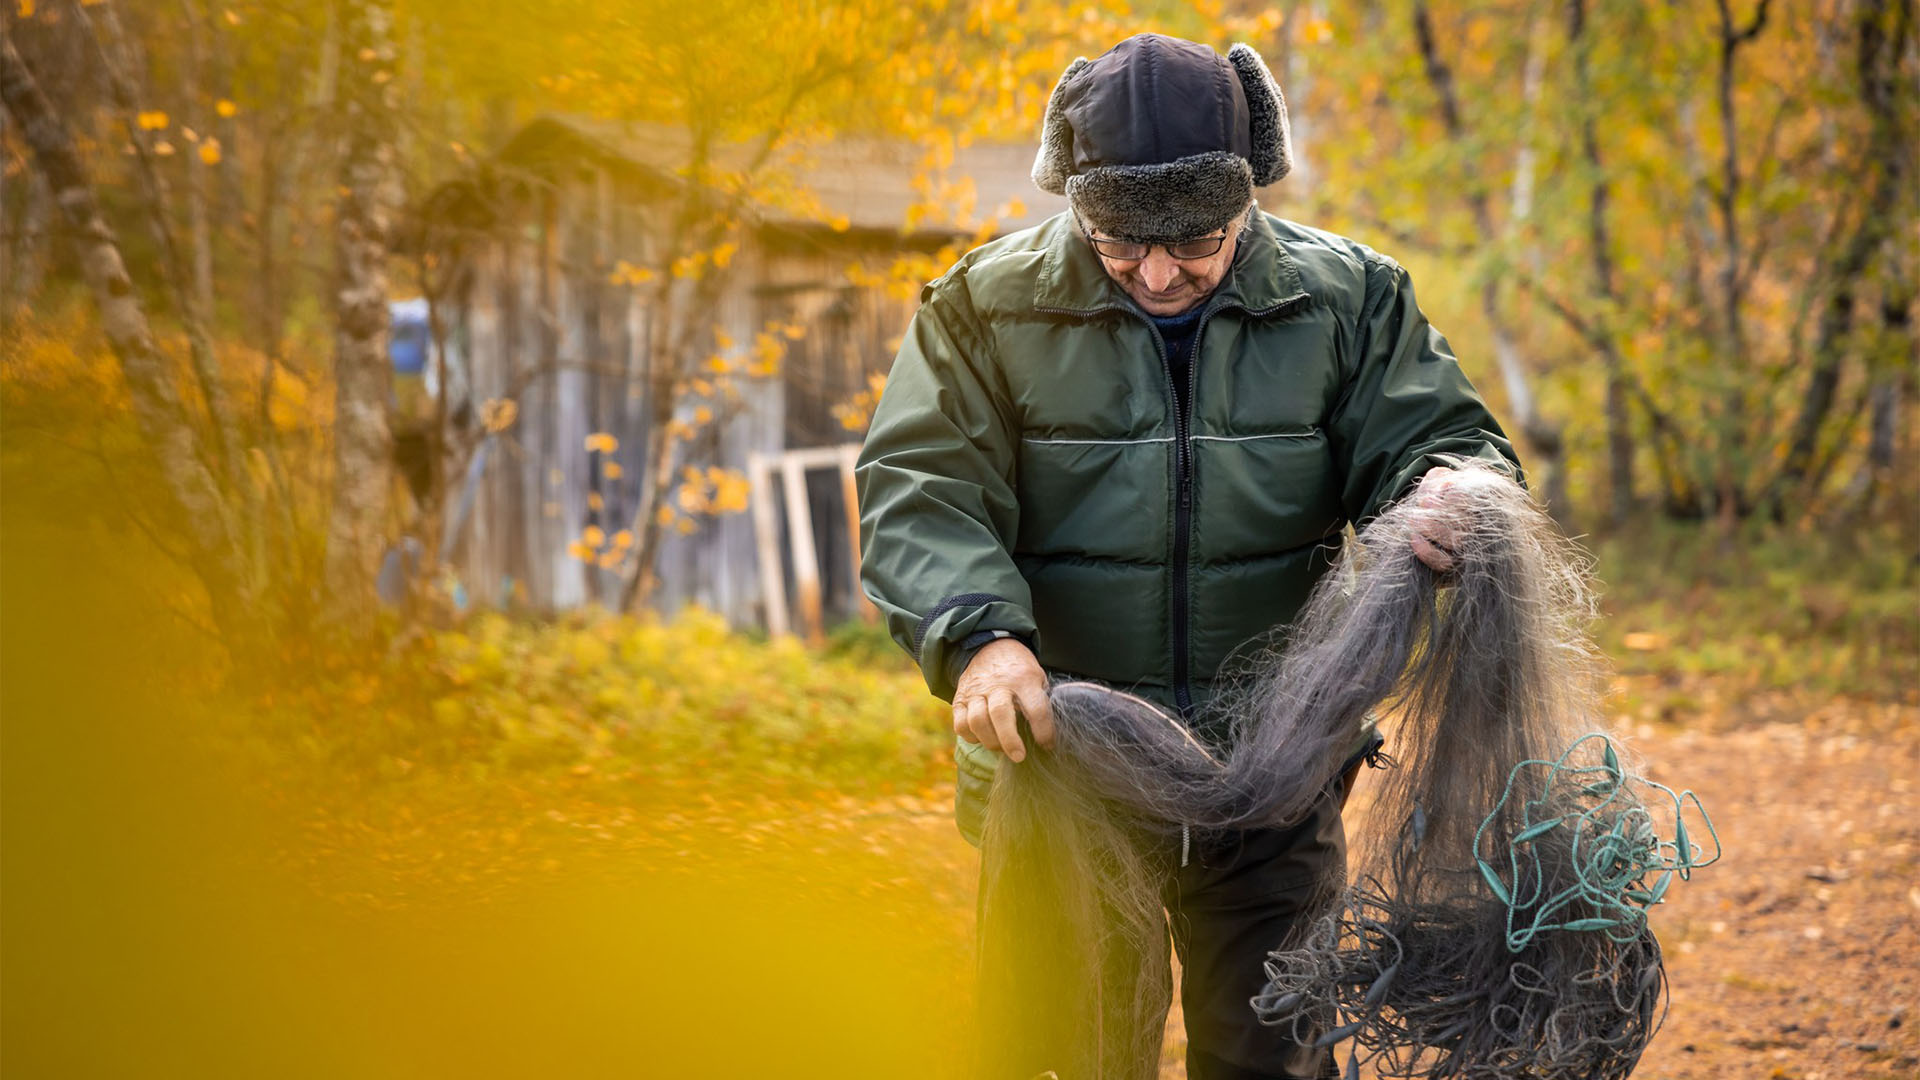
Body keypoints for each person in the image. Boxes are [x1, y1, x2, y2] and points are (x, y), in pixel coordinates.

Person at [855, 32, 1521, 1080]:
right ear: (1072, 196)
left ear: (1247, 195)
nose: (1158, 271)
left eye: (1194, 238)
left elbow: (1440, 441)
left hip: (1277, 777)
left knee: (1276, 1058)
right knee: (1069, 1056)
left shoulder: (1348, 300)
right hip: (1058, 773)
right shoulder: (983, 306)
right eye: (1119, 238)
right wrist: (980, 640)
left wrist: (1451, 489)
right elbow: (917, 488)